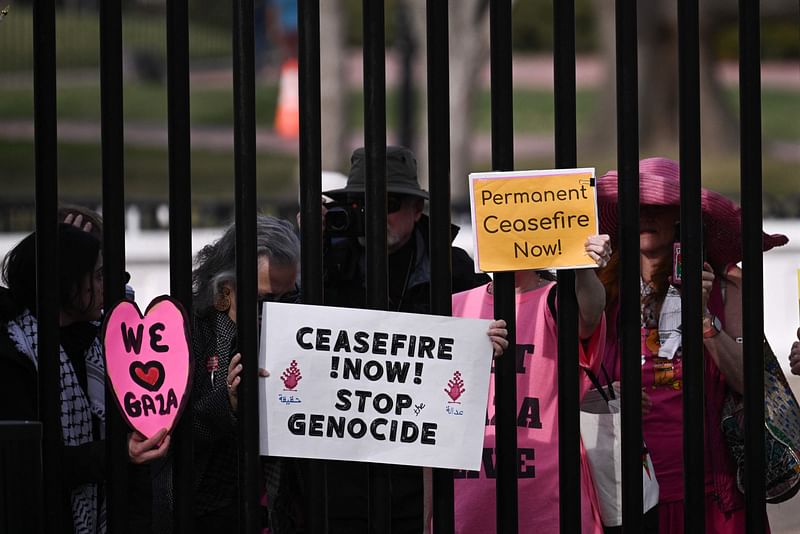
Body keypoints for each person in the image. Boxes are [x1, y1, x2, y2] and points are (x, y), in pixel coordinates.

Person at [595, 157, 788, 533]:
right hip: (622, 491)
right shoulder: (599, 292)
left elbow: (750, 382)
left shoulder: (727, 285)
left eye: (659, 207)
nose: (646, 215)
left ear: (683, 219)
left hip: (712, 494)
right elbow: (569, 378)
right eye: (637, 207)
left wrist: (703, 321)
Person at [313, 145, 491, 531]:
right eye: (361, 205)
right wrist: (313, 248)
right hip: (340, 476)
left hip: (423, 473)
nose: (375, 216)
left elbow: (500, 329)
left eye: (388, 203)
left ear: (416, 210)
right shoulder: (323, 263)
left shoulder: (453, 269)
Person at [0, 224, 170, 534]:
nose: (105, 285)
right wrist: (118, 453)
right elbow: (28, 461)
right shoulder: (15, 352)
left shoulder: (103, 342)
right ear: (65, 283)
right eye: (96, 276)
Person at [450, 236, 611, 534]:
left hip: (550, 503)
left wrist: (583, 267)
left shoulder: (556, 299)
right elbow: (433, 423)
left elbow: (590, 313)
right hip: (466, 504)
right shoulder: (456, 305)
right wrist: (430, 514)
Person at [190, 215, 301, 532]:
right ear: (226, 287)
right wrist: (228, 403)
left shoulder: (301, 325)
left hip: (281, 512)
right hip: (211, 511)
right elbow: (172, 438)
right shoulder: (193, 331)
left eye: (288, 296)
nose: (275, 311)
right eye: (263, 300)